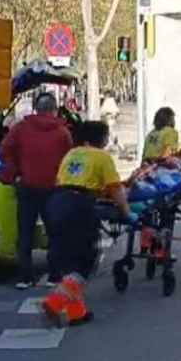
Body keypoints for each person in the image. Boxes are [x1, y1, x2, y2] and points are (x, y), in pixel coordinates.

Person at [41, 120, 135, 326]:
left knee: (68, 260)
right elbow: (115, 188)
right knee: (86, 259)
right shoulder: (102, 157)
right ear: (100, 138)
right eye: (106, 136)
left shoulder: (71, 154)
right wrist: (127, 211)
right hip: (79, 206)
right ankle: (55, 301)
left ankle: (77, 313)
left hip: (56, 202)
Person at [0, 92, 74, 289]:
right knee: (55, 232)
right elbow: (70, 159)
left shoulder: (21, 128)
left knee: (25, 232)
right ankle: (54, 275)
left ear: (36, 109)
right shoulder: (62, 132)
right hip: (54, 188)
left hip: (27, 185)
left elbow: (4, 149)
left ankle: (25, 277)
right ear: (54, 109)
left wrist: (14, 171)